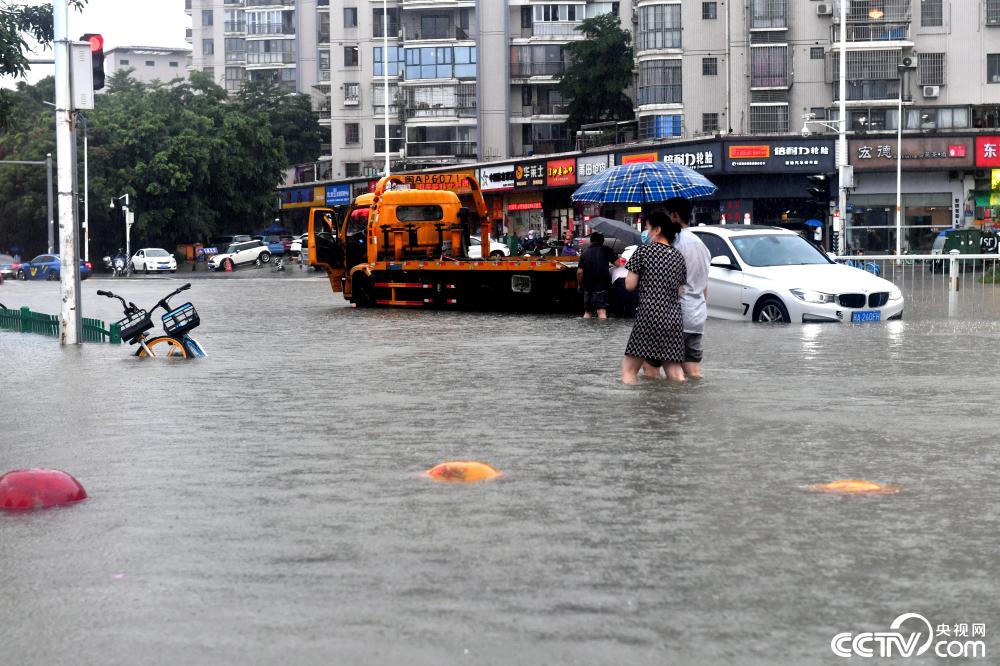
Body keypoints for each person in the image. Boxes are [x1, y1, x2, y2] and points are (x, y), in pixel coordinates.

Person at [621, 210, 686, 385]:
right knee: (675, 372)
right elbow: (679, 291)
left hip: (649, 316)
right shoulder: (679, 257)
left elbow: (629, 285)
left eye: (647, 228)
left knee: (629, 370)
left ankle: (633, 410)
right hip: (673, 318)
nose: (646, 232)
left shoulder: (643, 252)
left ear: (657, 230)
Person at [662, 197, 711, 380]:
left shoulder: (673, 244)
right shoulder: (701, 244)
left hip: (675, 314)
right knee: (693, 371)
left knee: (661, 370)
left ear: (674, 216)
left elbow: (668, 282)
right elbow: (704, 286)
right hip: (697, 315)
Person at [576, 231, 614, 319]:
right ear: (603, 241)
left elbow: (579, 272)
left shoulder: (585, 253)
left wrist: (579, 284)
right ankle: (601, 331)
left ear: (591, 241)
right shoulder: (606, 250)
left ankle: (587, 331)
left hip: (588, 287)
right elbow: (618, 263)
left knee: (587, 312)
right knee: (601, 311)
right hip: (602, 286)